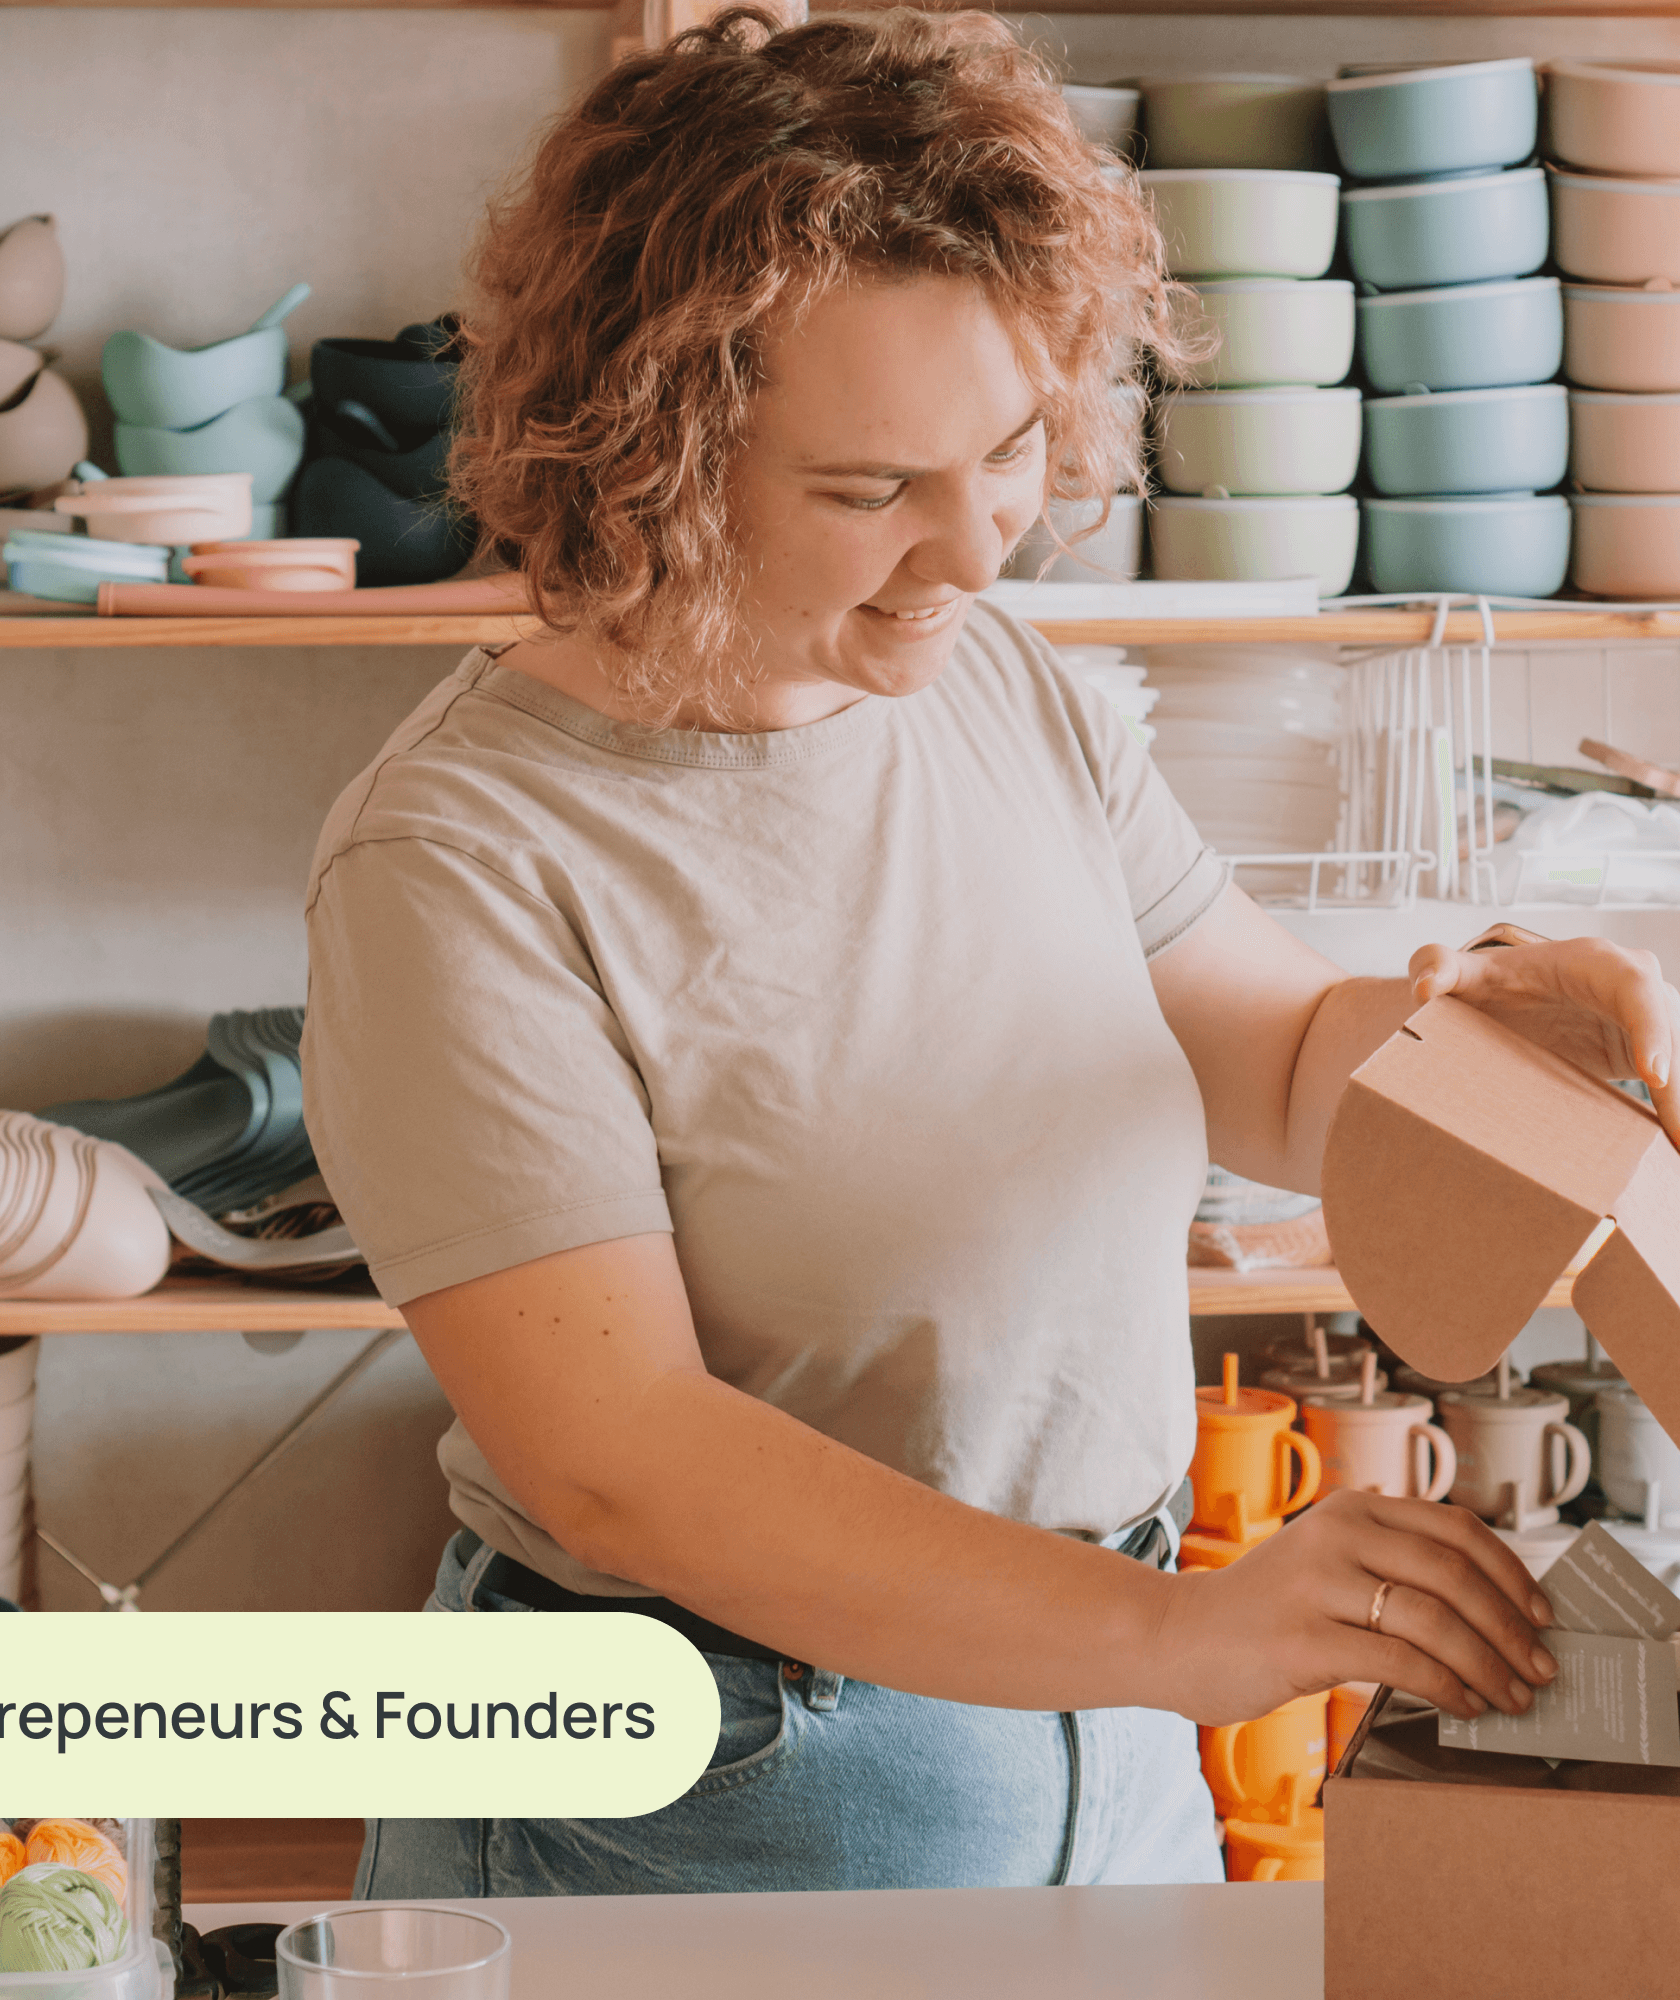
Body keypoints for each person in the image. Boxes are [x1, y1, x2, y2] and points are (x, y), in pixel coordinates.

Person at [301, 8, 1680, 1897]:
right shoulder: (462, 857)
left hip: (1103, 1713)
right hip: (722, 1771)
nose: (976, 548)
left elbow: (1271, 1064)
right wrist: (1185, 1646)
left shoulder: (1005, 689)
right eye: (870, 493)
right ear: (657, 456)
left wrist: (1479, 1033)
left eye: (1014, 445)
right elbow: (619, 1452)